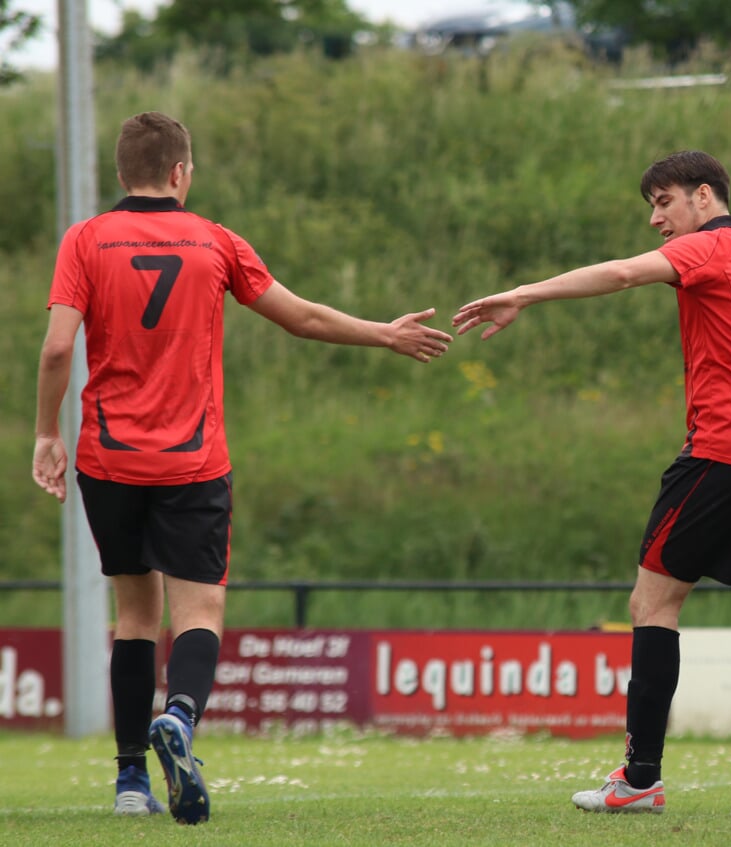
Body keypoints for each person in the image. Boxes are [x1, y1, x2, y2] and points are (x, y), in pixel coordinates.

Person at [32, 111, 452, 825]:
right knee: (201, 611)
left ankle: (131, 777)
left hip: (110, 458)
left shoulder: (86, 239)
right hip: (193, 461)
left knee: (135, 616)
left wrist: (47, 433)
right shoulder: (214, 241)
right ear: (179, 173)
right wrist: (384, 333)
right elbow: (303, 317)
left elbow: (55, 349)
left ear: (121, 173)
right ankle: (183, 717)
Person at [452, 150, 731, 817]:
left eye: (663, 202)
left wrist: (522, 294)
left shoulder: (711, 248)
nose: (655, 219)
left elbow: (623, 274)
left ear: (704, 197)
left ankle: (640, 777)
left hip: (724, 451)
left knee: (652, 604)